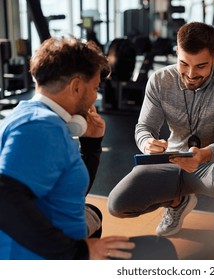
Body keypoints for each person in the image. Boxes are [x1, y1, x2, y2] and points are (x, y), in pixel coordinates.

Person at [0, 37, 176, 260]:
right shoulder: (40, 127)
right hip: (42, 257)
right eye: (95, 88)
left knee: (92, 214)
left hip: (57, 244)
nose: (95, 96)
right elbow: (5, 197)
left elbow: (72, 193)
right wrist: (80, 251)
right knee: (159, 250)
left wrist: (91, 145)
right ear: (75, 87)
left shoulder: (28, 115)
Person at [108, 22, 214, 236]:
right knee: (118, 204)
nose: (191, 74)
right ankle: (177, 202)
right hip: (172, 162)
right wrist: (147, 142)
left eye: (201, 66)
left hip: (212, 166)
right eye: (184, 63)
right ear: (177, 52)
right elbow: (144, 127)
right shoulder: (160, 80)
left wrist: (205, 154)